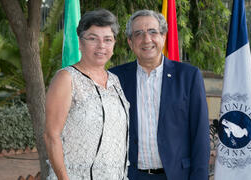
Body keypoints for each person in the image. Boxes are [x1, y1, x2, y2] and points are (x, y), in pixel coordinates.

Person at [110, 9, 210, 180]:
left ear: (163, 37)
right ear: (130, 42)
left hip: (176, 175)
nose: (146, 39)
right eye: (138, 33)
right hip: (130, 175)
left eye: (153, 32)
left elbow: (200, 134)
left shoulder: (188, 76)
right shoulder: (115, 78)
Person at [44, 9, 129, 180]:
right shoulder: (67, 78)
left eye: (107, 39)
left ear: (114, 44)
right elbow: (51, 135)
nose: (101, 46)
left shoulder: (115, 81)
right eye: (92, 38)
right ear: (80, 43)